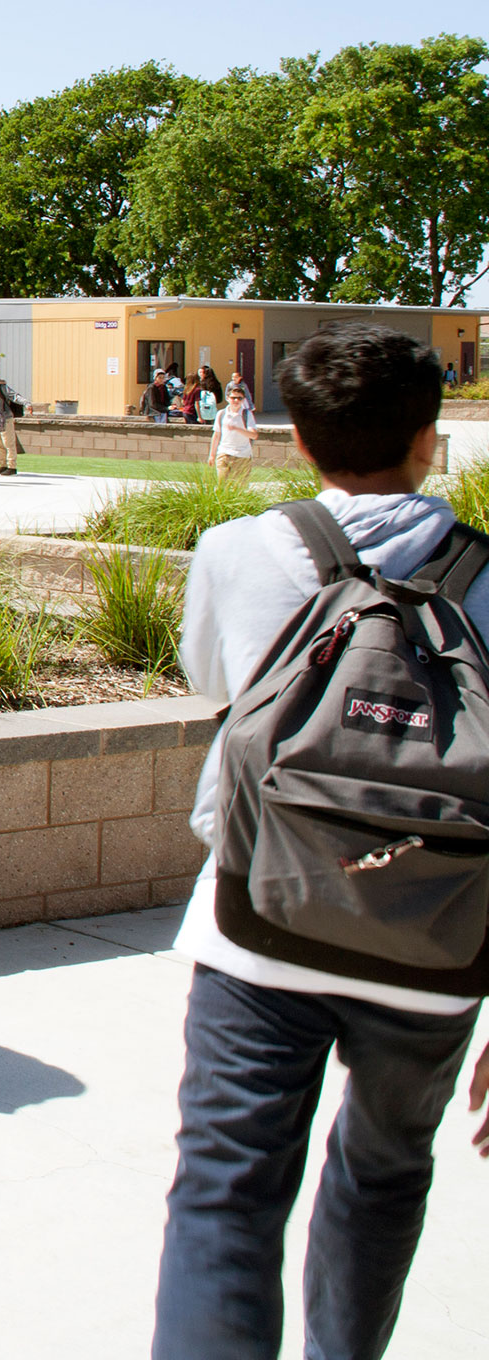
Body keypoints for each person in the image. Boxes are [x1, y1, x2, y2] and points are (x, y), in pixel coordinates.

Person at [152, 321, 489, 1360]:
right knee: (385, 1175)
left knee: (225, 1189)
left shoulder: (238, 550)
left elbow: (216, 685)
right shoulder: (483, 576)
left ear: (296, 439)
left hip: (260, 920)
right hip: (439, 945)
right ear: (433, 440)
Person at [208, 380, 257, 482]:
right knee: (222, 485)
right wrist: (212, 455)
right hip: (224, 453)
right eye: (233, 397)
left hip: (243, 455)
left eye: (239, 398)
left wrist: (237, 428)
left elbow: (254, 435)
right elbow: (216, 435)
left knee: (239, 487)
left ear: (243, 400)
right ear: (227, 398)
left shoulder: (247, 415)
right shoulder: (221, 414)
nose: (236, 400)